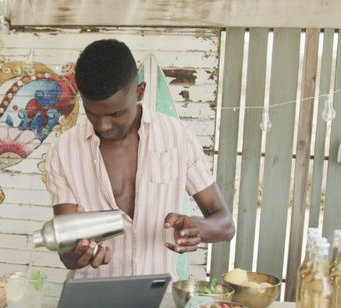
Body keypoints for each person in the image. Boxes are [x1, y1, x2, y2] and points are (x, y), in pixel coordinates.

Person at [45, 39, 235, 281]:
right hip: (90, 302)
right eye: (93, 113)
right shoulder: (63, 151)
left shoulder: (177, 137)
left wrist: (198, 229)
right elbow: (66, 249)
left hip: (157, 301)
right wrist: (79, 252)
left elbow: (226, 224)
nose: (104, 126)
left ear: (139, 92)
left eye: (115, 114)